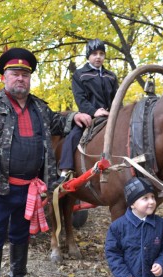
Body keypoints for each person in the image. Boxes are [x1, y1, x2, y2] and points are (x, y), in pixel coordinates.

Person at [0, 47, 92, 277]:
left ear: (30, 78)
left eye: (25, 74)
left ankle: (17, 276)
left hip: (30, 188)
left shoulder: (39, 107)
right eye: (15, 73)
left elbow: (58, 124)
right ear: (4, 77)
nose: (21, 78)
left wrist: (75, 117)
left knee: (21, 234)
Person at [53, 38, 118, 187]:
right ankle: (65, 170)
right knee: (74, 135)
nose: (98, 57)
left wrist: (114, 112)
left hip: (109, 115)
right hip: (89, 115)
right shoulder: (80, 74)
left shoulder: (111, 76)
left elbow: (116, 98)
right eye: (94, 53)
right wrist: (95, 111)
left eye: (101, 53)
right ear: (88, 56)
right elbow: (80, 99)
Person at [105, 177, 163, 277]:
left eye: (152, 197)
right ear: (132, 204)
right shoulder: (117, 227)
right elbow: (113, 254)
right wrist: (124, 276)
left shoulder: (161, 225)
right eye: (145, 198)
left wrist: (161, 263)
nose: (151, 201)